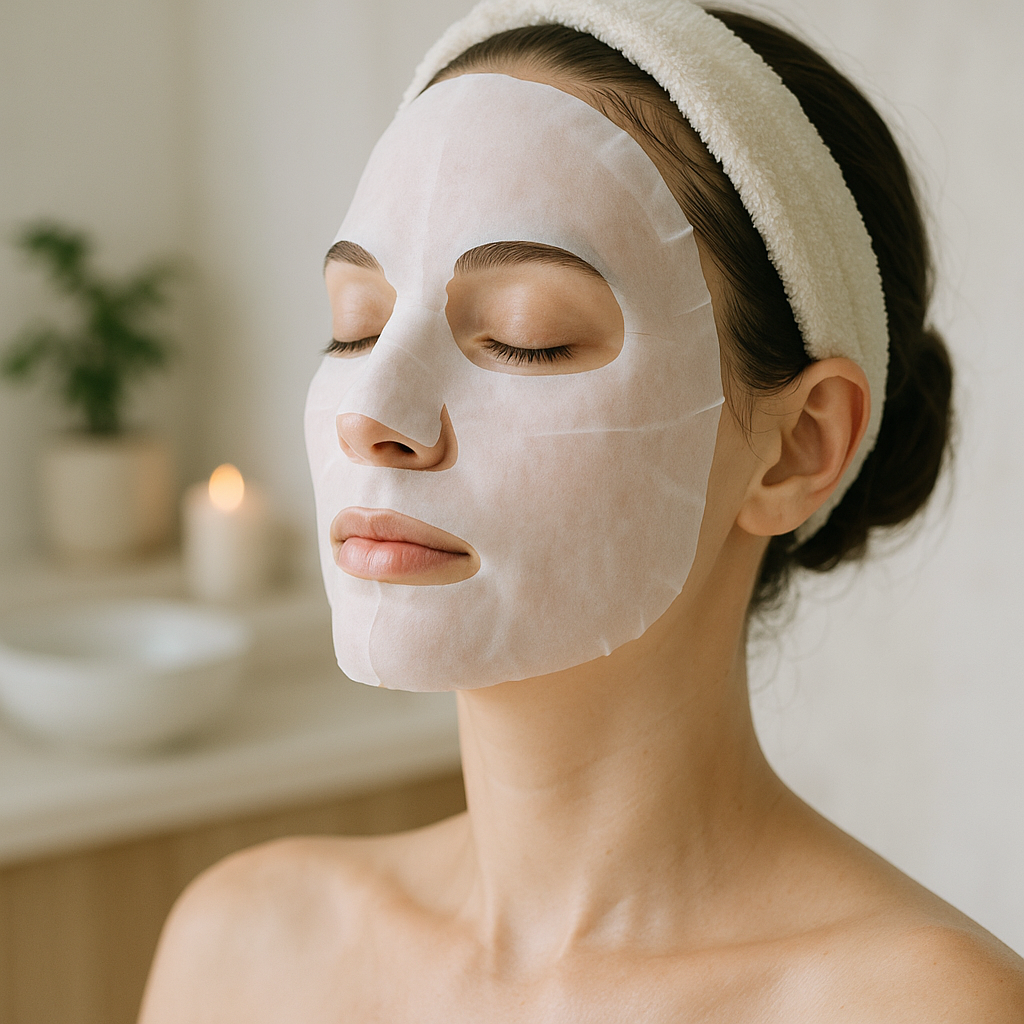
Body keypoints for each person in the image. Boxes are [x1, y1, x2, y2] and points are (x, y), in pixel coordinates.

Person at [138, 2, 1024, 1020]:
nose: (373, 415)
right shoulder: (246, 945)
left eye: (529, 337)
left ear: (796, 447)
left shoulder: (917, 1006)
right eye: (356, 326)